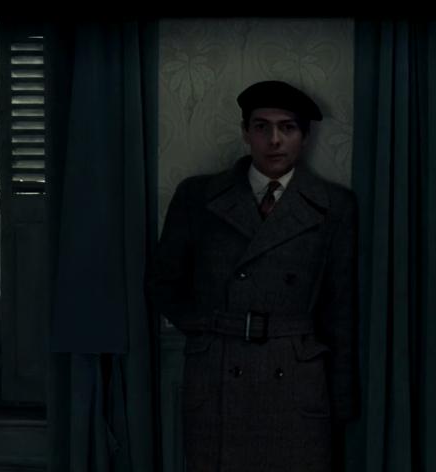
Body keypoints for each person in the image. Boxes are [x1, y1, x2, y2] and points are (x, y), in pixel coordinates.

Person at [145, 80, 358, 472]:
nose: (274, 140)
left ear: (304, 137)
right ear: (246, 133)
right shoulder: (198, 196)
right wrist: (208, 328)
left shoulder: (335, 206)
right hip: (218, 374)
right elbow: (163, 282)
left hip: (296, 378)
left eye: (287, 128)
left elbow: (341, 310)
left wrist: (342, 401)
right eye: (262, 127)